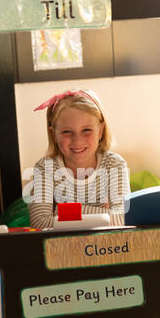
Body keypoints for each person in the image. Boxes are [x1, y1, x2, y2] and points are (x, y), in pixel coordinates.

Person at [28, 89, 130, 229]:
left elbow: (124, 219)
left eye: (86, 130)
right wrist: (105, 215)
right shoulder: (45, 168)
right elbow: (39, 223)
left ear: (100, 131)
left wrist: (61, 212)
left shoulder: (114, 164)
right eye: (66, 132)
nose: (77, 140)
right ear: (54, 135)